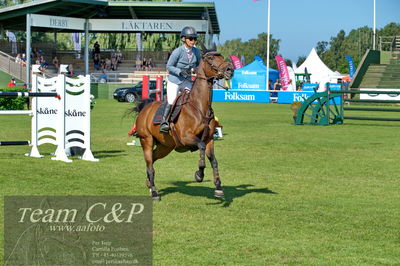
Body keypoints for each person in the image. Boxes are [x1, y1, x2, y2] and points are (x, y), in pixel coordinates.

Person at [159, 26, 201, 133]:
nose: (193, 41)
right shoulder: (177, 51)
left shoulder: (197, 52)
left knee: (194, 99)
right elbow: (168, 66)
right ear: (183, 39)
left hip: (186, 80)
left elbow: (199, 65)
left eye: (195, 39)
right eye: (190, 38)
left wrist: (195, 70)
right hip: (175, 81)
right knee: (172, 100)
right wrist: (179, 71)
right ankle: (164, 122)